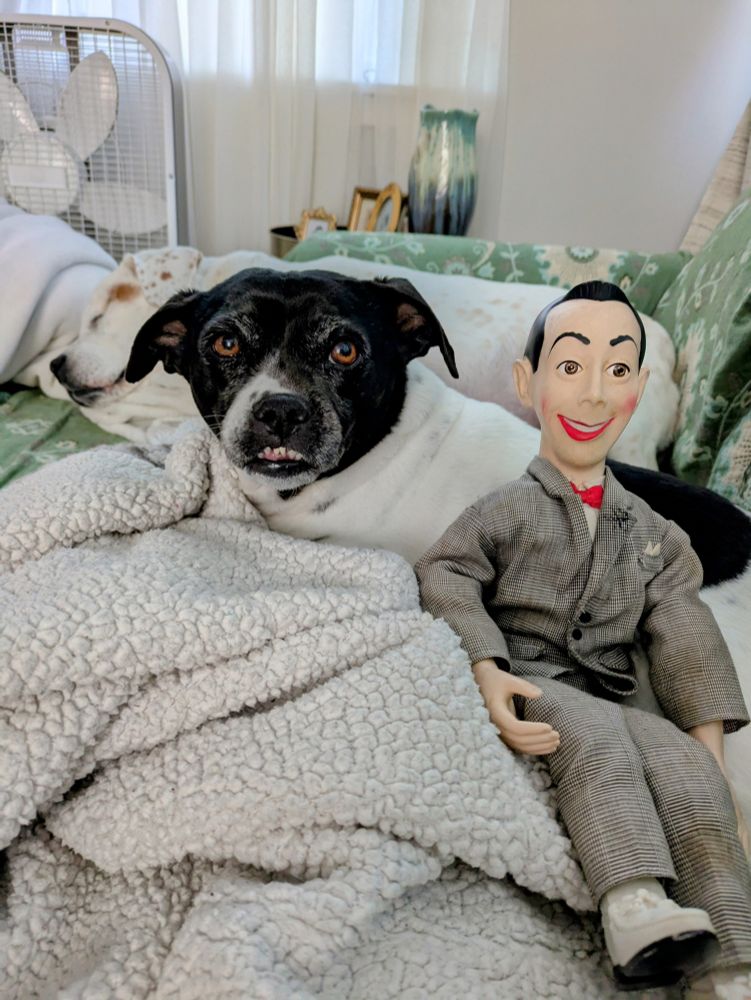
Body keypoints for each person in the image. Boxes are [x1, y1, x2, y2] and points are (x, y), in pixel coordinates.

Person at [415, 281, 751, 997]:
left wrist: (708, 743)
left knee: (693, 781)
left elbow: (683, 626)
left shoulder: (656, 532)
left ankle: (730, 959)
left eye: (617, 370)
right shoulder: (503, 508)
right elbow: (446, 574)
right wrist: (485, 665)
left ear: (637, 390)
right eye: (570, 368)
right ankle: (632, 903)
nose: (593, 394)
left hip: (627, 691)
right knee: (595, 743)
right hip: (540, 678)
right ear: (525, 381)